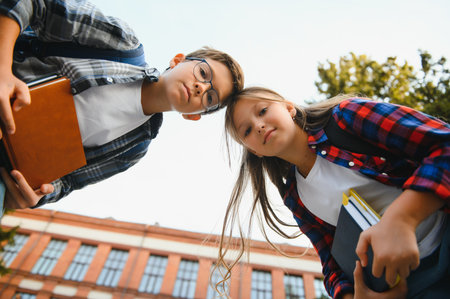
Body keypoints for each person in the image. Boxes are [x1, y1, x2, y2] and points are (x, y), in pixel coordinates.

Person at [0, 0, 244, 211]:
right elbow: (36, 4)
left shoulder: (133, 149)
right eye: (203, 72)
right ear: (178, 59)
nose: (201, 87)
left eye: (210, 98)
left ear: (194, 116)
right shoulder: (120, 44)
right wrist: (3, 70)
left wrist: (36, 196)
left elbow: (69, 182)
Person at [217, 87, 449, 298]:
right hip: (413, 287)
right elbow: (331, 260)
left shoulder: (347, 116)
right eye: (247, 130)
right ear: (254, 151)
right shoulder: (294, 197)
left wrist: (403, 219)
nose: (258, 125)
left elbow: (444, 143)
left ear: (288, 108)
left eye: (263, 111)